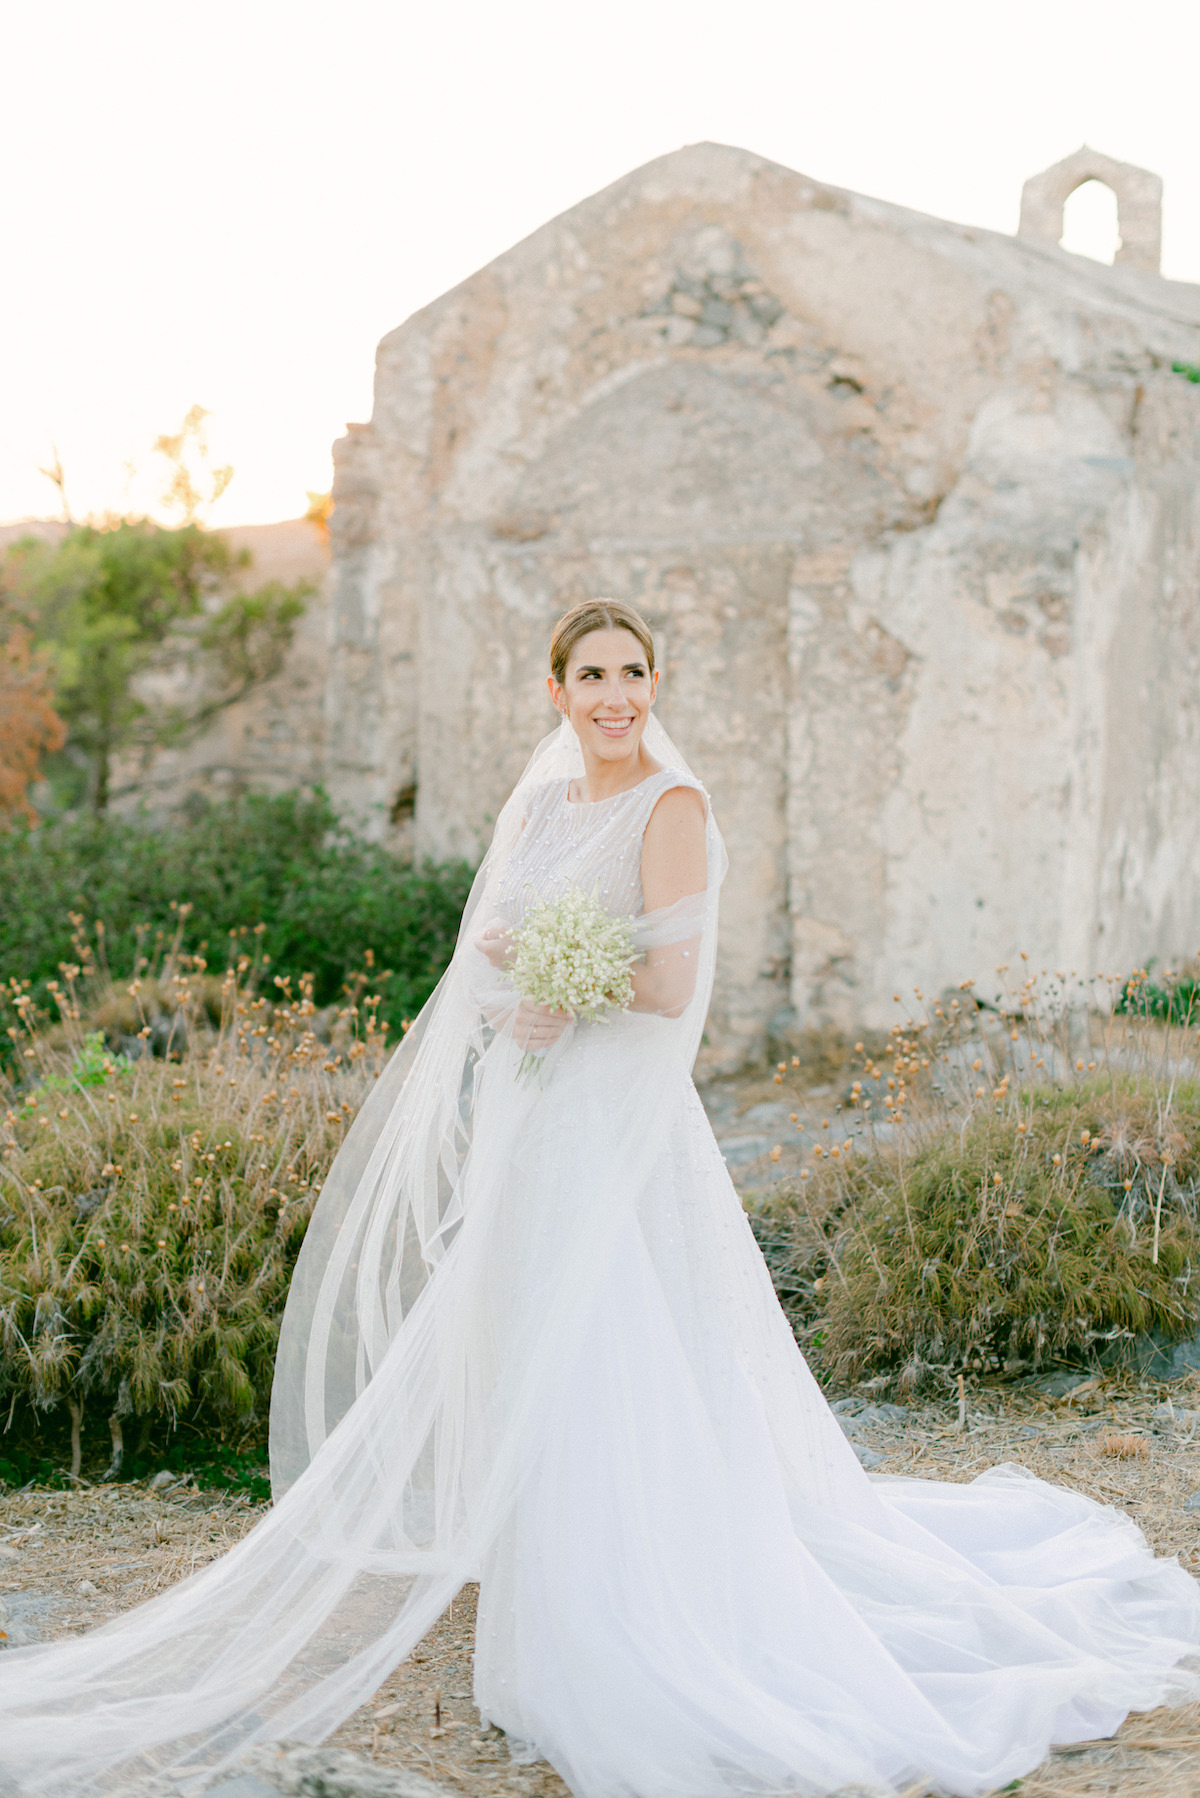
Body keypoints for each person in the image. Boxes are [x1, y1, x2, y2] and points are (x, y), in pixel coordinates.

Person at [2, 598, 1199, 1798]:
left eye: (633, 673)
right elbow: (489, 944)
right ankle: (562, 1579)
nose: (615, 695)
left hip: (618, 1130)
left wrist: (572, 983)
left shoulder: (671, 808)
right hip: (533, 1113)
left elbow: (673, 986)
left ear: (656, 682)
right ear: (557, 691)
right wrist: (518, 986)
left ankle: (637, 1599)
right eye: (591, 675)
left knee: (611, 1340)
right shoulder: (538, 805)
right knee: (537, 1343)